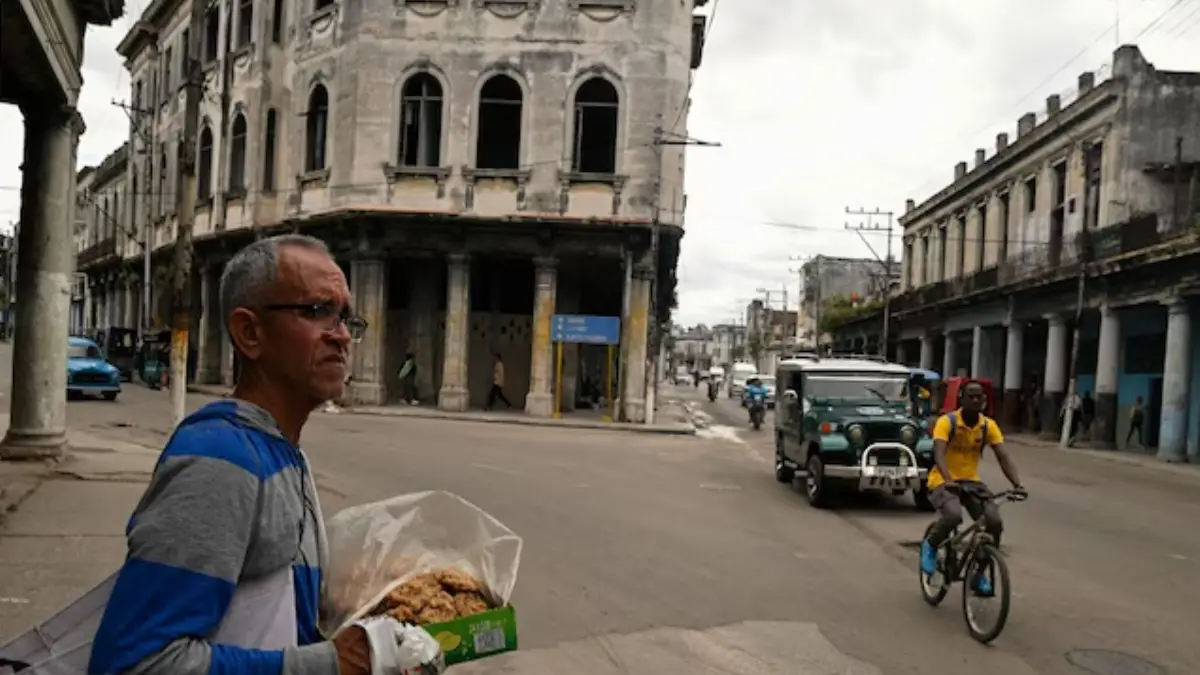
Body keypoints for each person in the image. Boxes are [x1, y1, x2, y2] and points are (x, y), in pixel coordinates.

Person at [88, 235, 432, 675]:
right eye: (317, 311)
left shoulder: (279, 449)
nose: (342, 336)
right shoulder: (219, 461)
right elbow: (135, 664)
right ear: (250, 332)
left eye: (346, 317)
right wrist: (331, 664)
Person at [920, 380, 1026, 596]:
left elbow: (1003, 457)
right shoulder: (946, 422)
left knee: (994, 523)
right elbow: (939, 453)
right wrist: (948, 479)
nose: (976, 400)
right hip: (942, 480)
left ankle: (979, 573)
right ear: (961, 399)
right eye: (971, 396)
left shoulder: (988, 426)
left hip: (971, 482)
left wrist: (1017, 484)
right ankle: (930, 545)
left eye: (980, 397)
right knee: (953, 516)